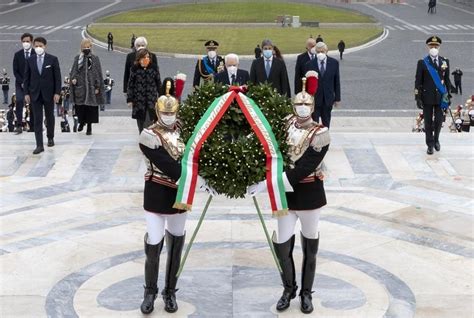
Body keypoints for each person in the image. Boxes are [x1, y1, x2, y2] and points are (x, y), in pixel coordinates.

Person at [248, 77, 330, 314]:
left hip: (309, 192)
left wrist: (268, 185)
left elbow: (305, 166)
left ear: (312, 108)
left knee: (309, 244)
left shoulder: (320, 133)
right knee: (282, 243)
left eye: (306, 105)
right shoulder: (283, 125)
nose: (302, 108)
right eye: (298, 104)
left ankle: (306, 292)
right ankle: (288, 288)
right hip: (286, 195)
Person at [138, 78, 207, 314]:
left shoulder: (186, 131)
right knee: (154, 243)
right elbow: (164, 162)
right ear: (158, 112)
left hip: (178, 194)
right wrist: (190, 179)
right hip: (157, 191)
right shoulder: (148, 135)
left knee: (176, 242)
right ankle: (150, 291)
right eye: (165, 113)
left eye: (172, 112)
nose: (168, 116)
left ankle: (169, 290)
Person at [24, 36, 62, 154]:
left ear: (45, 46)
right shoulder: (30, 60)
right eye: (36, 46)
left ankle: (50, 137)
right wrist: (26, 93)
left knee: (50, 116)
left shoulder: (52, 59)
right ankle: (39, 144)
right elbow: (27, 78)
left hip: (49, 93)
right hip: (35, 93)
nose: (38, 48)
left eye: (40, 46)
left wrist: (57, 92)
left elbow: (58, 78)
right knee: (37, 119)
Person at [415, 36, 451, 155]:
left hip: (440, 97)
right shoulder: (422, 62)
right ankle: (429, 144)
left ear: (439, 47)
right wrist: (418, 97)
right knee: (428, 122)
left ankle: (436, 140)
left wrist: (448, 95)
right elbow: (418, 81)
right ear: (428, 47)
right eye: (431, 46)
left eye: (436, 46)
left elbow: (447, 80)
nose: (434, 48)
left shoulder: (445, 61)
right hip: (427, 96)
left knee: (439, 121)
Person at [69, 38, 105, 135]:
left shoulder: (94, 58)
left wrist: (97, 86)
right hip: (80, 88)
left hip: (91, 88)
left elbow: (98, 73)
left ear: (91, 47)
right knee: (80, 108)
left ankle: (89, 127)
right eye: (84, 47)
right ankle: (81, 122)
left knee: (90, 109)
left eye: (88, 47)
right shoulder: (78, 58)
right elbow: (73, 71)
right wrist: (74, 79)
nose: (86, 48)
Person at [304, 42, 341, 128]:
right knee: (313, 124)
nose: (320, 53)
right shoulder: (309, 64)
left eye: (322, 51)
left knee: (326, 123)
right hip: (314, 99)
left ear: (326, 51)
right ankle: (314, 141)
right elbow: (306, 83)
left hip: (328, 99)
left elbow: (336, 82)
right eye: (318, 51)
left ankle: (326, 141)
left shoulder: (334, 63)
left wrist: (337, 98)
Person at [127, 49, 161, 133]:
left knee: (148, 124)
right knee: (140, 124)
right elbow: (130, 85)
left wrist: (161, 96)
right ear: (140, 58)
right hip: (138, 101)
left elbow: (158, 83)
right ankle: (142, 139)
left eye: (148, 57)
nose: (146, 58)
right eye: (144, 57)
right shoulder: (134, 69)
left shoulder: (154, 67)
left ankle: (146, 142)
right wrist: (130, 99)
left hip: (151, 100)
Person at [12, 32, 35, 134]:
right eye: (24, 41)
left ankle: (33, 126)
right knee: (20, 101)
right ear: (21, 42)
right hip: (20, 83)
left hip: (32, 84)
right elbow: (15, 70)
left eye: (28, 41)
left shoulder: (35, 53)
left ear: (31, 42)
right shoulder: (17, 55)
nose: (26, 43)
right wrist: (22, 82)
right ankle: (19, 125)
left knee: (33, 104)